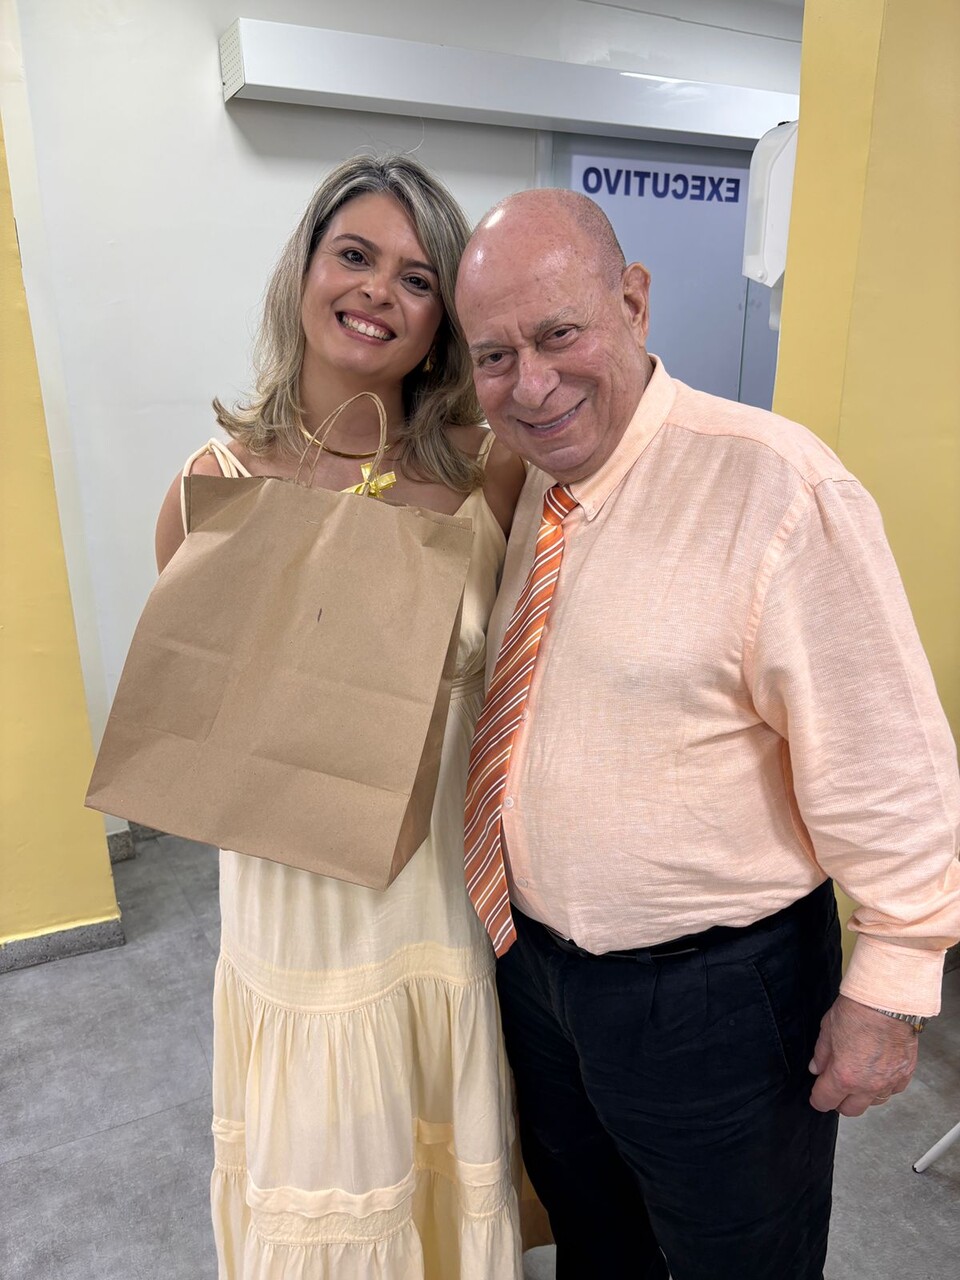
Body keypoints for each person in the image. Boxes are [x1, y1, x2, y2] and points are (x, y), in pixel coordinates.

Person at [454, 187, 960, 1280]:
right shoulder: (532, 486)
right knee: (597, 1243)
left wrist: (891, 986)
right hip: (537, 972)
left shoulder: (777, 486)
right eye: (494, 356)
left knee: (743, 1261)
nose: (531, 384)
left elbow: (895, 770)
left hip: (717, 1000)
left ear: (633, 302)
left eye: (559, 333)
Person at [155, 155, 527, 1280]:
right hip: (292, 924)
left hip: (434, 911)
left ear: (443, 317)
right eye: (354, 255)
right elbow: (191, 717)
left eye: (417, 278)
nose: (377, 292)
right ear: (304, 270)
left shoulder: (490, 474)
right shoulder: (213, 483)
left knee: (438, 1197)